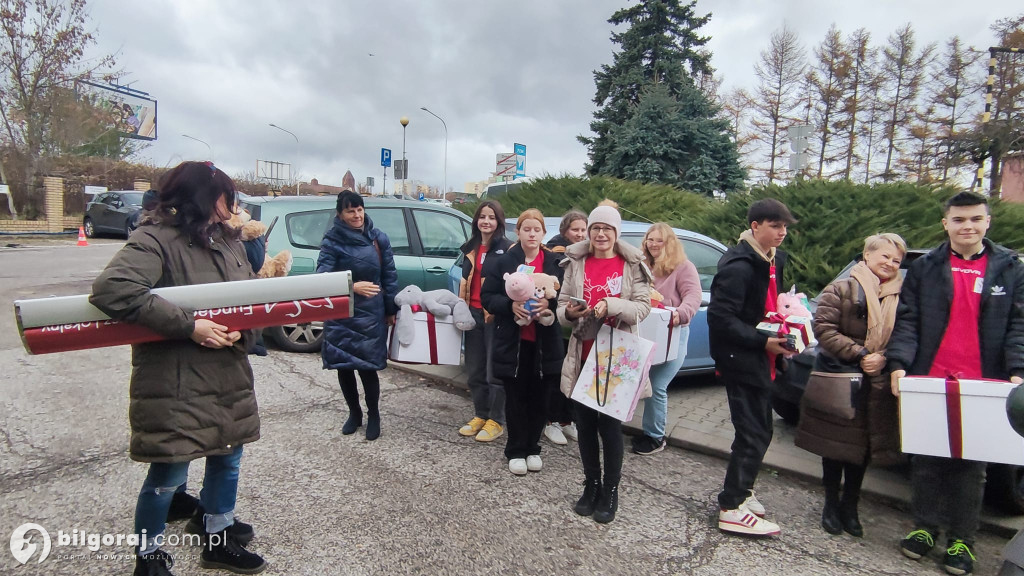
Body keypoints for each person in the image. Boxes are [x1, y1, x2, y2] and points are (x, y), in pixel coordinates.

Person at [89, 161, 266, 575]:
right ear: (204, 197)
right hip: (178, 380)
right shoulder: (156, 239)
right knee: (169, 469)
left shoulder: (230, 241)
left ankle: (216, 532)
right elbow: (114, 290)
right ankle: (149, 554)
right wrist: (191, 327)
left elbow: (251, 300)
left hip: (229, 376)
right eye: (227, 196)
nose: (233, 205)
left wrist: (244, 335)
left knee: (228, 457)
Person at [889, 191, 1024, 576]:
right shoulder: (927, 267)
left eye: (975, 220)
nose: (968, 227)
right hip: (932, 377)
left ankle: (963, 539)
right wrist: (899, 364)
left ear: (987, 222)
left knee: (971, 467)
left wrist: (1018, 370)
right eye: (959, 220)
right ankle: (925, 529)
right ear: (945, 223)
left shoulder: (1010, 267)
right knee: (927, 459)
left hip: (984, 382)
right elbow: (909, 320)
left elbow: (1019, 324)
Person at [794, 233, 907, 538]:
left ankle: (851, 505)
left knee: (863, 449)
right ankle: (831, 503)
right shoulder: (842, 287)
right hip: (842, 378)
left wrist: (885, 358)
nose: (890, 263)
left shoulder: (901, 295)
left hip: (877, 383)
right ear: (867, 255)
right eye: (885, 256)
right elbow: (823, 328)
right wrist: (861, 354)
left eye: (896, 260)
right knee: (834, 447)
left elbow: (907, 333)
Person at [557, 200, 651, 524]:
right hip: (583, 352)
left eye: (607, 229)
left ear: (615, 233)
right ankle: (591, 485)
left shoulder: (631, 264)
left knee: (609, 428)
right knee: (585, 427)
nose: (600, 234)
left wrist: (610, 304)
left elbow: (642, 307)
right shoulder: (576, 262)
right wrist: (570, 312)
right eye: (596, 227)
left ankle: (610, 490)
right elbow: (560, 306)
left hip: (616, 355)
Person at [709, 197, 796, 537]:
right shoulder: (740, 265)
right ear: (755, 226)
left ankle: (742, 491)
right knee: (754, 432)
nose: (782, 232)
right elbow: (720, 319)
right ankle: (732, 506)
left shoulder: (769, 260)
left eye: (785, 227)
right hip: (742, 361)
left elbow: (765, 308)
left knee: (758, 431)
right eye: (775, 226)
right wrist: (763, 342)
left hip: (762, 358)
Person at [482, 209, 565, 476]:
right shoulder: (503, 261)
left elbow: (564, 297)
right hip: (514, 344)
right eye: (526, 229)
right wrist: (510, 304)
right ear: (517, 232)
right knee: (516, 398)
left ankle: (533, 447)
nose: (531, 234)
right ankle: (515, 450)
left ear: (543, 234)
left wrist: (548, 302)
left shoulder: (555, 262)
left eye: (536, 229)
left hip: (545, 344)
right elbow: (488, 297)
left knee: (540, 399)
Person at [318, 190, 399, 441]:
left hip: (371, 313)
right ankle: (354, 414)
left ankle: (374, 415)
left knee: (367, 367)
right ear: (340, 214)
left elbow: (390, 276)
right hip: (343, 311)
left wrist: (390, 309)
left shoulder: (378, 238)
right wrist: (351, 286)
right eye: (350, 211)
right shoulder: (331, 241)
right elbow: (322, 277)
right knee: (345, 366)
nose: (357, 215)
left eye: (359, 209)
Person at [632, 223, 702, 455]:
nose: (653, 244)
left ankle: (655, 436)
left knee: (658, 384)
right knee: (638, 380)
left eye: (659, 240)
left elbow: (693, 297)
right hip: (645, 330)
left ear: (669, 243)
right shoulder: (642, 265)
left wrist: (680, 314)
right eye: (650, 240)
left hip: (673, 333)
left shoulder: (684, 267)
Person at [457, 200, 513, 443]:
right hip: (472, 314)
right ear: (476, 220)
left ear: (498, 221)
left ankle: (496, 420)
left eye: (491, 217)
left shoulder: (508, 248)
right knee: (475, 370)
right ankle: (480, 414)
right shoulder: (470, 247)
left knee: (495, 372)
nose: (486, 221)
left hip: (495, 316)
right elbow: (464, 281)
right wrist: (461, 308)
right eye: (482, 217)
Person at [543, 209, 588, 445]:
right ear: (565, 231)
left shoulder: (587, 254)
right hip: (558, 324)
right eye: (575, 230)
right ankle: (551, 421)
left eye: (583, 230)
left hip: (579, 326)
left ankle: (567, 420)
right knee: (556, 374)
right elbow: (551, 288)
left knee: (575, 374)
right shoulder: (556, 254)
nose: (579, 234)